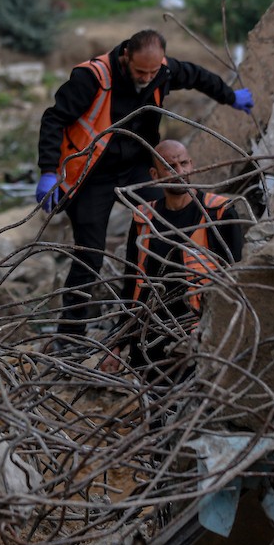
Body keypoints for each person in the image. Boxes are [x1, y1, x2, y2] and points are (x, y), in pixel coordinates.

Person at [34, 29, 252, 341]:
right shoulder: (93, 78)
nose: (147, 78)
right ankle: (70, 337)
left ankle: (153, 320)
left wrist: (230, 97)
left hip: (137, 168)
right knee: (90, 256)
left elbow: (197, 76)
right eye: (140, 72)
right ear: (125, 58)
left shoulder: (161, 71)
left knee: (163, 226)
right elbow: (53, 120)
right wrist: (48, 172)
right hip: (91, 174)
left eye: (153, 72)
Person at [102, 140, 244, 381]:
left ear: (192, 165)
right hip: (150, 335)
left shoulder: (219, 212)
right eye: (170, 166)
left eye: (184, 163)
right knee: (153, 412)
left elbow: (236, 282)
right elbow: (132, 286)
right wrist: (117, 341)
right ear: (155, 175)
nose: (180, 172)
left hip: (199, 334)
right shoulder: (144, 219)